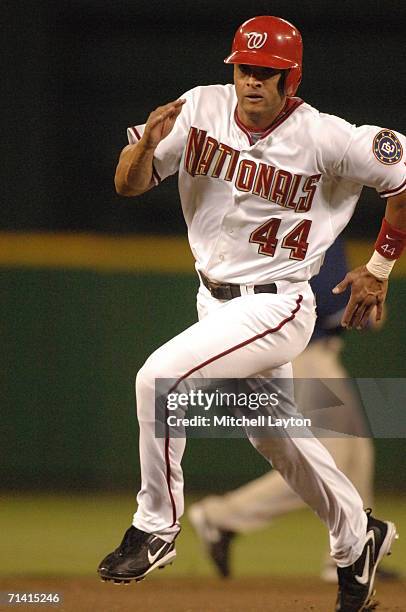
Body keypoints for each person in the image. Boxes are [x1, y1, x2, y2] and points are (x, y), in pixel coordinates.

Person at [98, 16, 406, 611]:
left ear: (291, 78)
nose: (253, 82)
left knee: (158, 380)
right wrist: (141, 148)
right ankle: (357, 538)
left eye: (267, 73)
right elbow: (127, 185)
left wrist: (380, 268)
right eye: (245, 69)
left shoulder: (328, 137)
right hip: (212, 298)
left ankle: (156, 524)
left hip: (280, 301)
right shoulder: (197, 109)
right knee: (277, 438)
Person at [188, 237, 400, 583]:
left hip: (316, 353)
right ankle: (222, 516)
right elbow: (331, 303)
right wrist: (368, 311)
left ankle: (352, 550)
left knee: (357, 454)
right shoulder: (321, 220)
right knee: (326, 461)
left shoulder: (324, 216)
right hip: (304, 354)